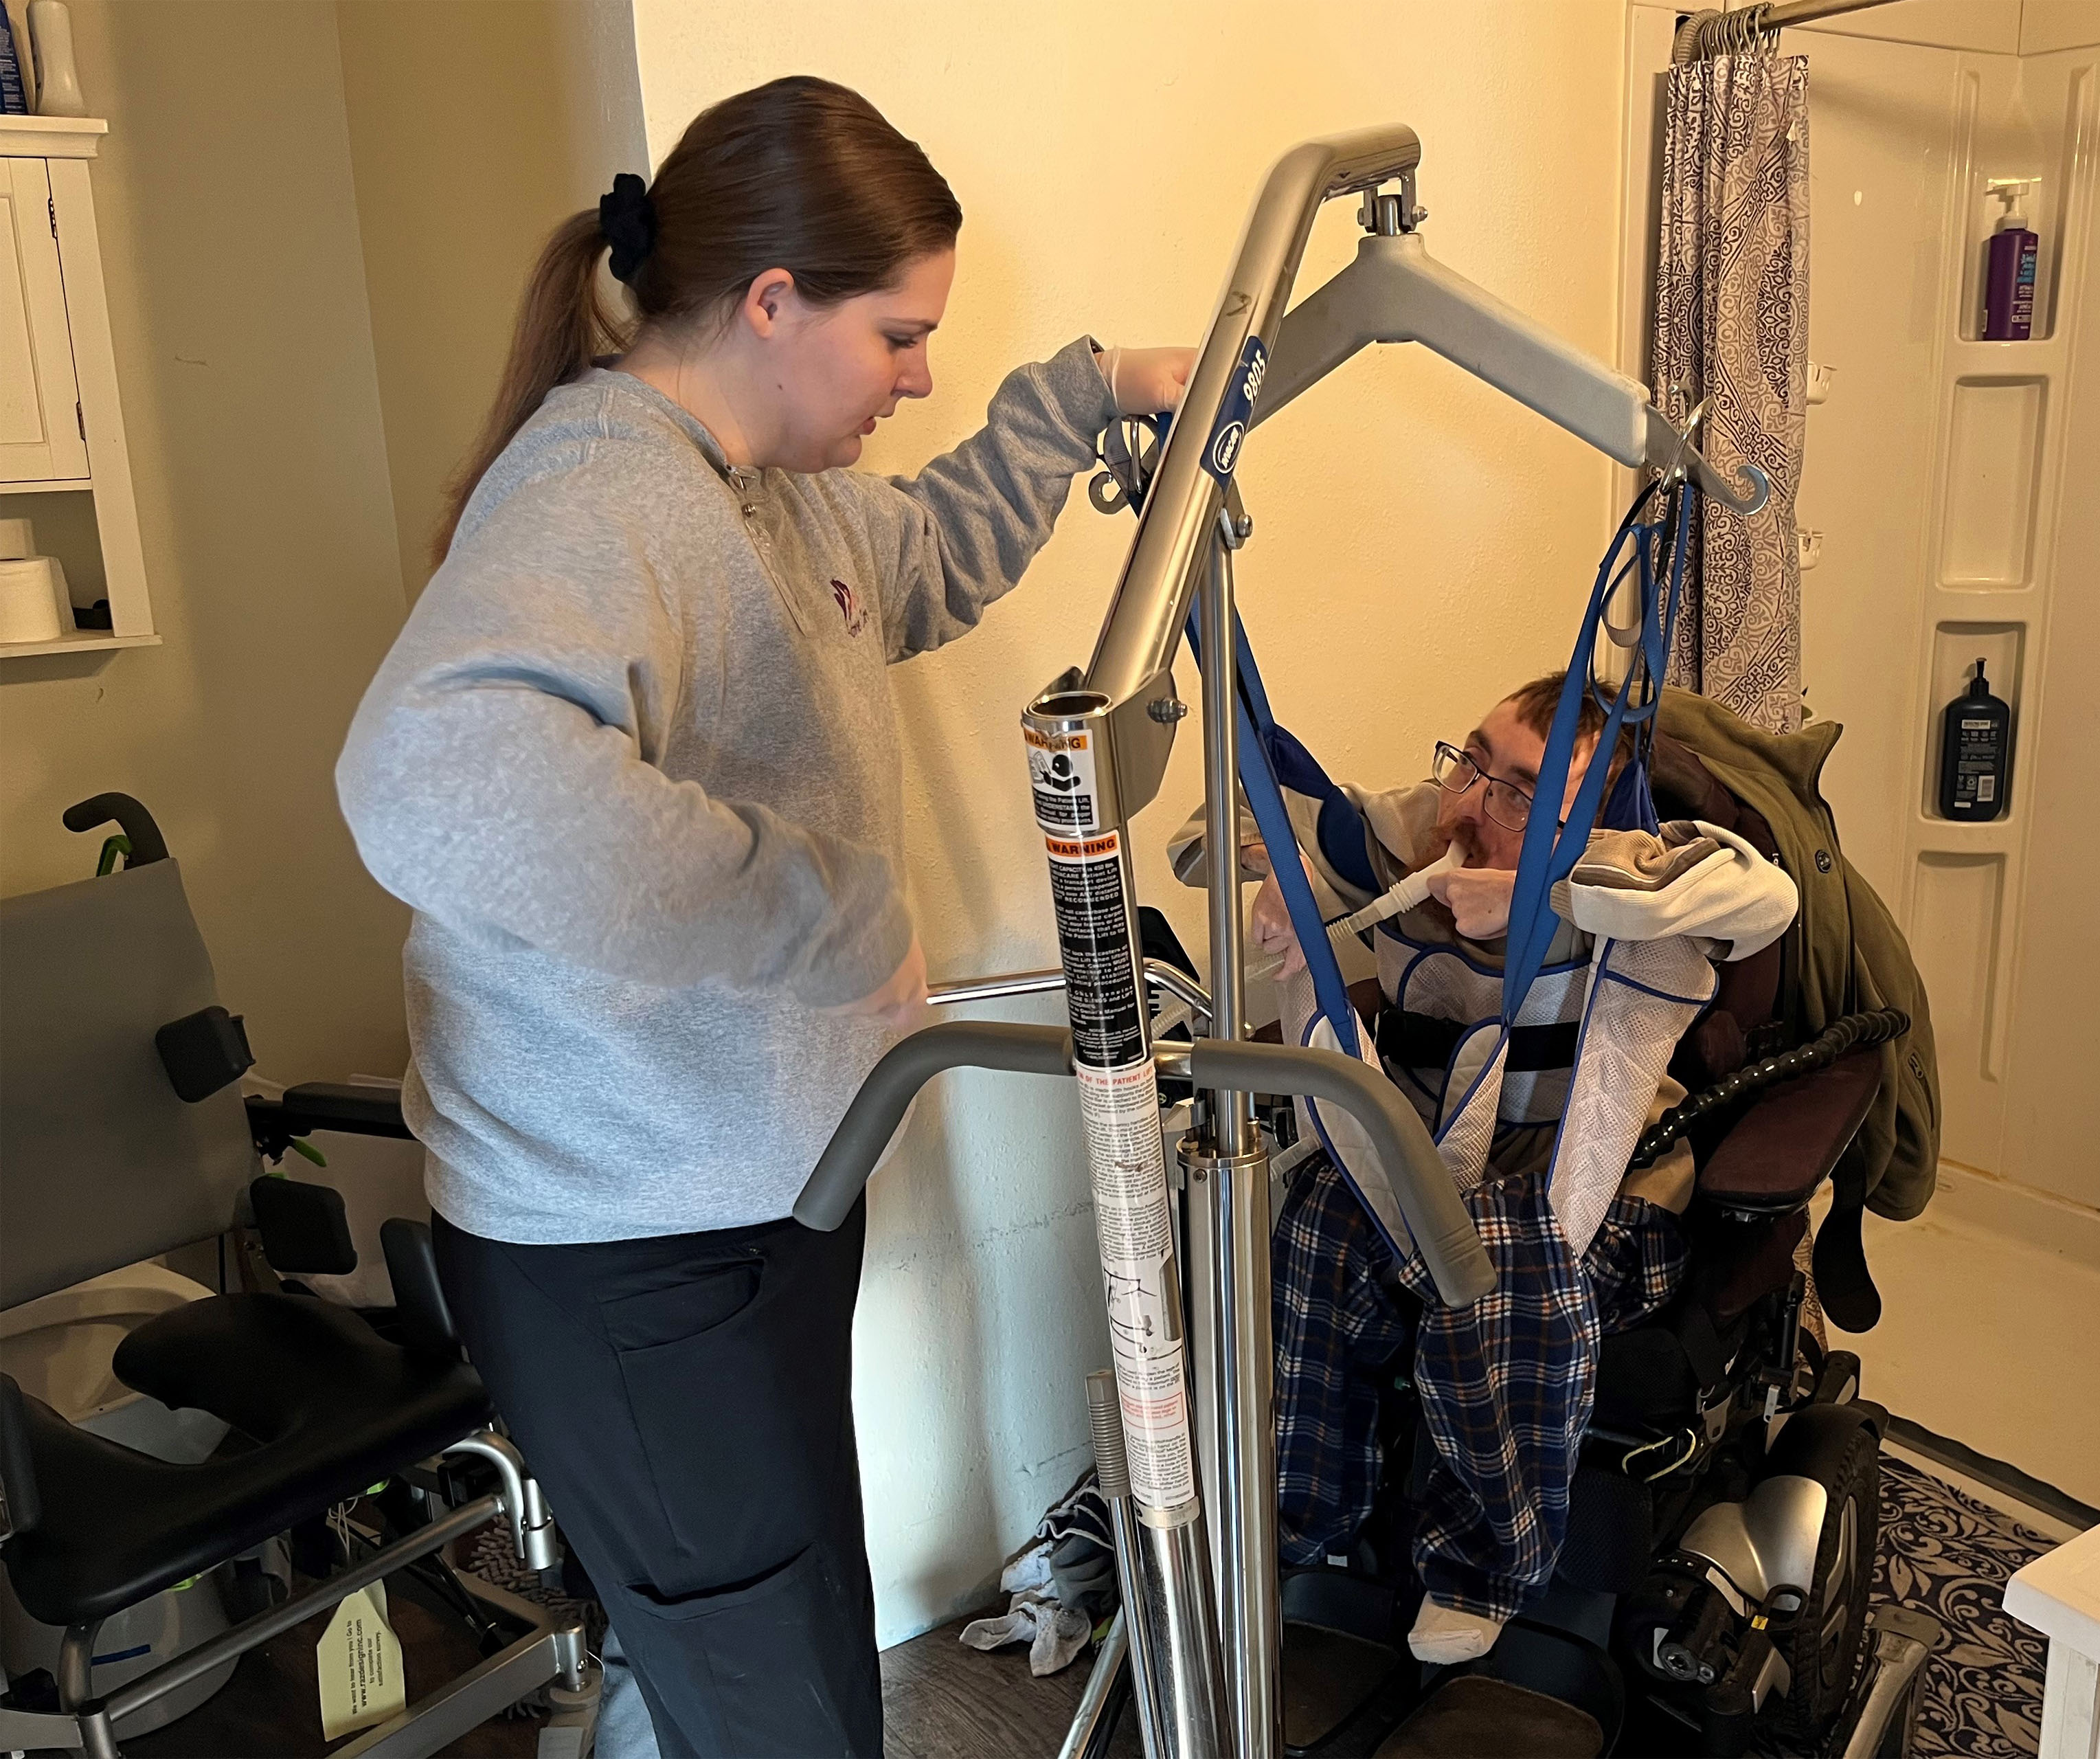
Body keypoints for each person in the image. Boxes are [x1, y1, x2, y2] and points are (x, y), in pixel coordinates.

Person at [336, 76, 1191, 1759]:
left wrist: (1089, 393)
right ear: (773, 302)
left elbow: (927, 552)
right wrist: (822, 915)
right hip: (632, 1252)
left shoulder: (771, 492)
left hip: (747, 1204)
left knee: (744, 1651)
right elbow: (432, 772)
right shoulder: (606, 488)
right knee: (786, 1707)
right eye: (901, 334)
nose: (923, 373)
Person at [1172, 675, 1798, 1662]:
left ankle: (1485, 1567)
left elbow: (1763, 898)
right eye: (1472, 759)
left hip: (1601, 1201)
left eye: (1521, 793)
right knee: (1318, 1213)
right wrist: (1277, 869)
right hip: (1420, 1178)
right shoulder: (1421, 826)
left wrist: (1542, 892)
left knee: (1497, 1247)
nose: (1472, 801)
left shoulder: (1632, 866)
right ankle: (1301, 1517)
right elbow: (1231, 810)